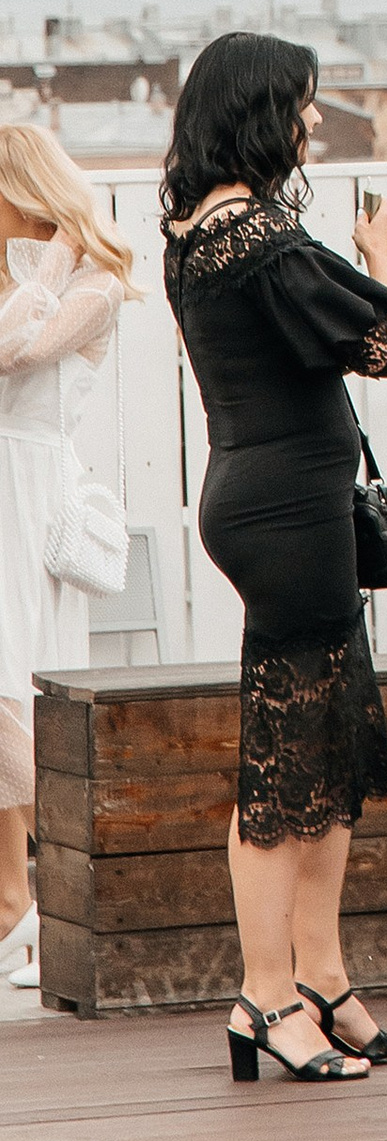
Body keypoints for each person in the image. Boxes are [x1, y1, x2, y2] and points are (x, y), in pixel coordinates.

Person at [161, 33, 387, 1084]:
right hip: (287, 513)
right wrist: (382, 256)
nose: (313, 121)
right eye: (302, 105)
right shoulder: (258, 231)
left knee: (328, 757)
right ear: (262, 109)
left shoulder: (200, 225)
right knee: (283, 770)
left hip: (272, 500)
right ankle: (266, 993)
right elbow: (384, 345)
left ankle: (324, 976)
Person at [0, 120, 139, 988]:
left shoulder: (92, 283)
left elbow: (16, 350)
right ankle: (15, 898)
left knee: (26, 686)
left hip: (30, 494)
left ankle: (38, 901)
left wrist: (50, 253)